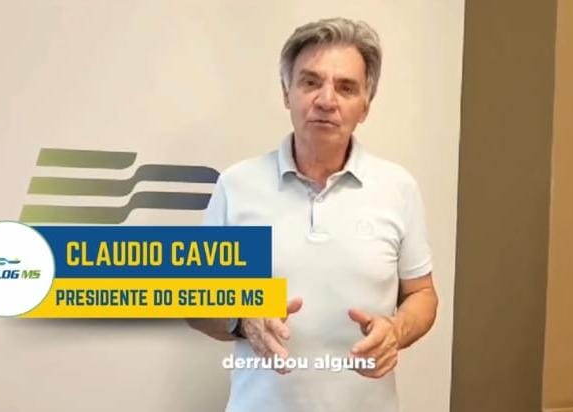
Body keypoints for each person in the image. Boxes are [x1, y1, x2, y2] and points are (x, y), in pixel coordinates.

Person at [187, 17, 438, 412]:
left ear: (366, 105)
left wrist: (396, 329)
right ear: (287, 93)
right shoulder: (237, 185)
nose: (326, 100)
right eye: (310, 82)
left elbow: (421, 294)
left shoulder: (398, 187)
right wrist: (242, 320)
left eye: (346, 87)